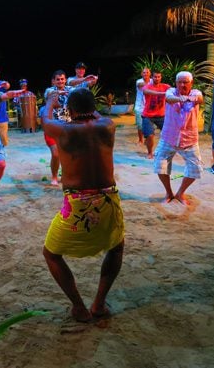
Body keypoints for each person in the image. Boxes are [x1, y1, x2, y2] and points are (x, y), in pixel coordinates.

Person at [41, 88, 124, 323]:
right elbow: (93, 116)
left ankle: (79, 307)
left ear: (70, 110)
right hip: (109, 197)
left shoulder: (65, 130)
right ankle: (98, 304)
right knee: (116, 247)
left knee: (51, 254)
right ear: (93, 107)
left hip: (79, 202)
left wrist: (50, 102)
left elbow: (45, 122)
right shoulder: (108, 125)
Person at [154, 71, 204, 205]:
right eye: (179, 82)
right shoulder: (171, 92)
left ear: (191, 83)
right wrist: (181, 98)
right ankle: (168, 193)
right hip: (169, 137)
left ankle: (180, 193)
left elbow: (200, 99)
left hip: (189, 139)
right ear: (176, 83)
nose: (182, 84)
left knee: (195, 169)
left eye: (185, 82)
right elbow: (169, 99)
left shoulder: (196, 93)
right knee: (160, 165)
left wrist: (188, 98)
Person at [43, 70, 74, 185]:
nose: (60, 81)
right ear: (53, 81)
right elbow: (50, 95)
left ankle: (65, 175)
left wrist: (86, 81)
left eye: (62, 79)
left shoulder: (70, 90)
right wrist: (59, 93)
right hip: (52, 127)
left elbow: (80, 91)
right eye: (58, 79)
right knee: (56, 154)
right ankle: (54, 177)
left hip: (67, 127)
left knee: (67, 154)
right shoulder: (49, 90)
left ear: (65, 80)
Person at [141, 70, 170, 159]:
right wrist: (162, 93)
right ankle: (150, 152)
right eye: (155, 77)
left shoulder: (166, 87)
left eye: (159, 77)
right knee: (150, 135)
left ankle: (168, 151)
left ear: (161, 77)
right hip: (148, 116)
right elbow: (147, 92)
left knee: (169, 133)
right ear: (152, 77)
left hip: (161, 116)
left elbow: (174, 92)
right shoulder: (147, 86)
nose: (157, 78)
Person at [134, 67, 151, 144]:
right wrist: (154, 83)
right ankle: (140, 140)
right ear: (141, 74)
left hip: (149, 106)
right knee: (140, 125)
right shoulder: (139, 81)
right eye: (144, 72)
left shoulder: (152, 81)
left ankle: (148, 139)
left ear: (150, 74)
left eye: (147, 72)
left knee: (149, 125)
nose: (145, 74)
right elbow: (140, 85)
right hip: (139, 106)